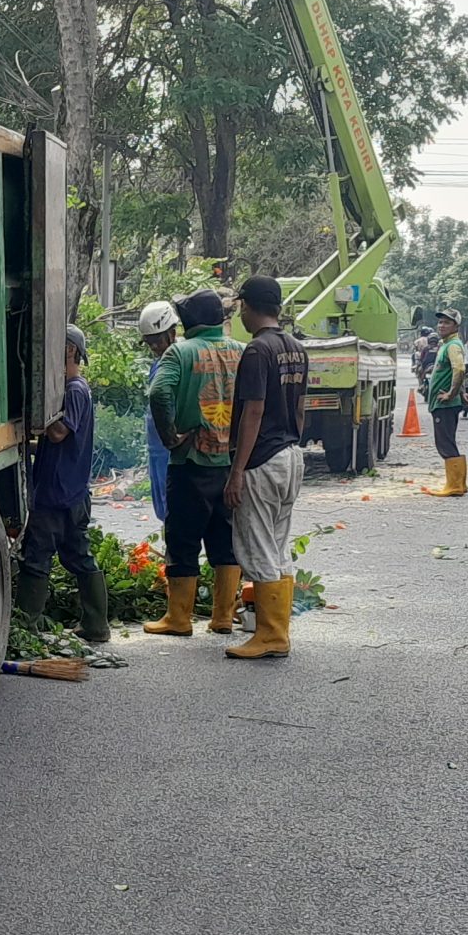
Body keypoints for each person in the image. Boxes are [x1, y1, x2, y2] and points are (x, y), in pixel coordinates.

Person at [143, 289, 248, 636]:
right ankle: (221, 617)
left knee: (183, 539)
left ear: (189, 322)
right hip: (231, 465)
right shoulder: (241, 352)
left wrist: (169, 435)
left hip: (190, 462)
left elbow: (158, 393)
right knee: (226, 539)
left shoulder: (180, 353)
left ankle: (179, 618)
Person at [224, 275, 309, 660]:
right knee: (278, 544)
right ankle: (278, 632)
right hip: (291, 455)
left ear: (247, 306)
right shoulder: (295, 347)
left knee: (257, 544)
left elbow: (254, 410)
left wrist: (238, 469)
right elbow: (300, 406)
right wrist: (292, 441)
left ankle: (270, 635)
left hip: (262, 459)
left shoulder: (258, 351)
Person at [16, 327, 109, 643]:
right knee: (78, 555)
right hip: (71, 492)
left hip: (57, 494)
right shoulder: (77, 390)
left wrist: (36, 416)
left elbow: (57, 434)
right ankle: (96, 624)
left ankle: (25, 627)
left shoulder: (73, 391)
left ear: (70, 351)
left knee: (38, 556)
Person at [137, 300, 178, 526]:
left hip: (169, 448)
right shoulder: (157, 364)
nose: (154, 347)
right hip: (156, 447)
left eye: (157, 341)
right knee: (162, 506)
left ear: (172, 333)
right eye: (149, 343)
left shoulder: (179, 361)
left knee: (172, 507)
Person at [423, 310, 468, 496]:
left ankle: (455, 486)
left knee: (445, 443)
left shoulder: (453, 345)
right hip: (443, 403)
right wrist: (462, 391)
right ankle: (458, 484)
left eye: (447, 323)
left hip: (445, 404)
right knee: (446, 441)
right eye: (440, 322)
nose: (442, 325)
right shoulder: (446, 345)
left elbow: (459, 369)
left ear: (456, 326)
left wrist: (451, 394)